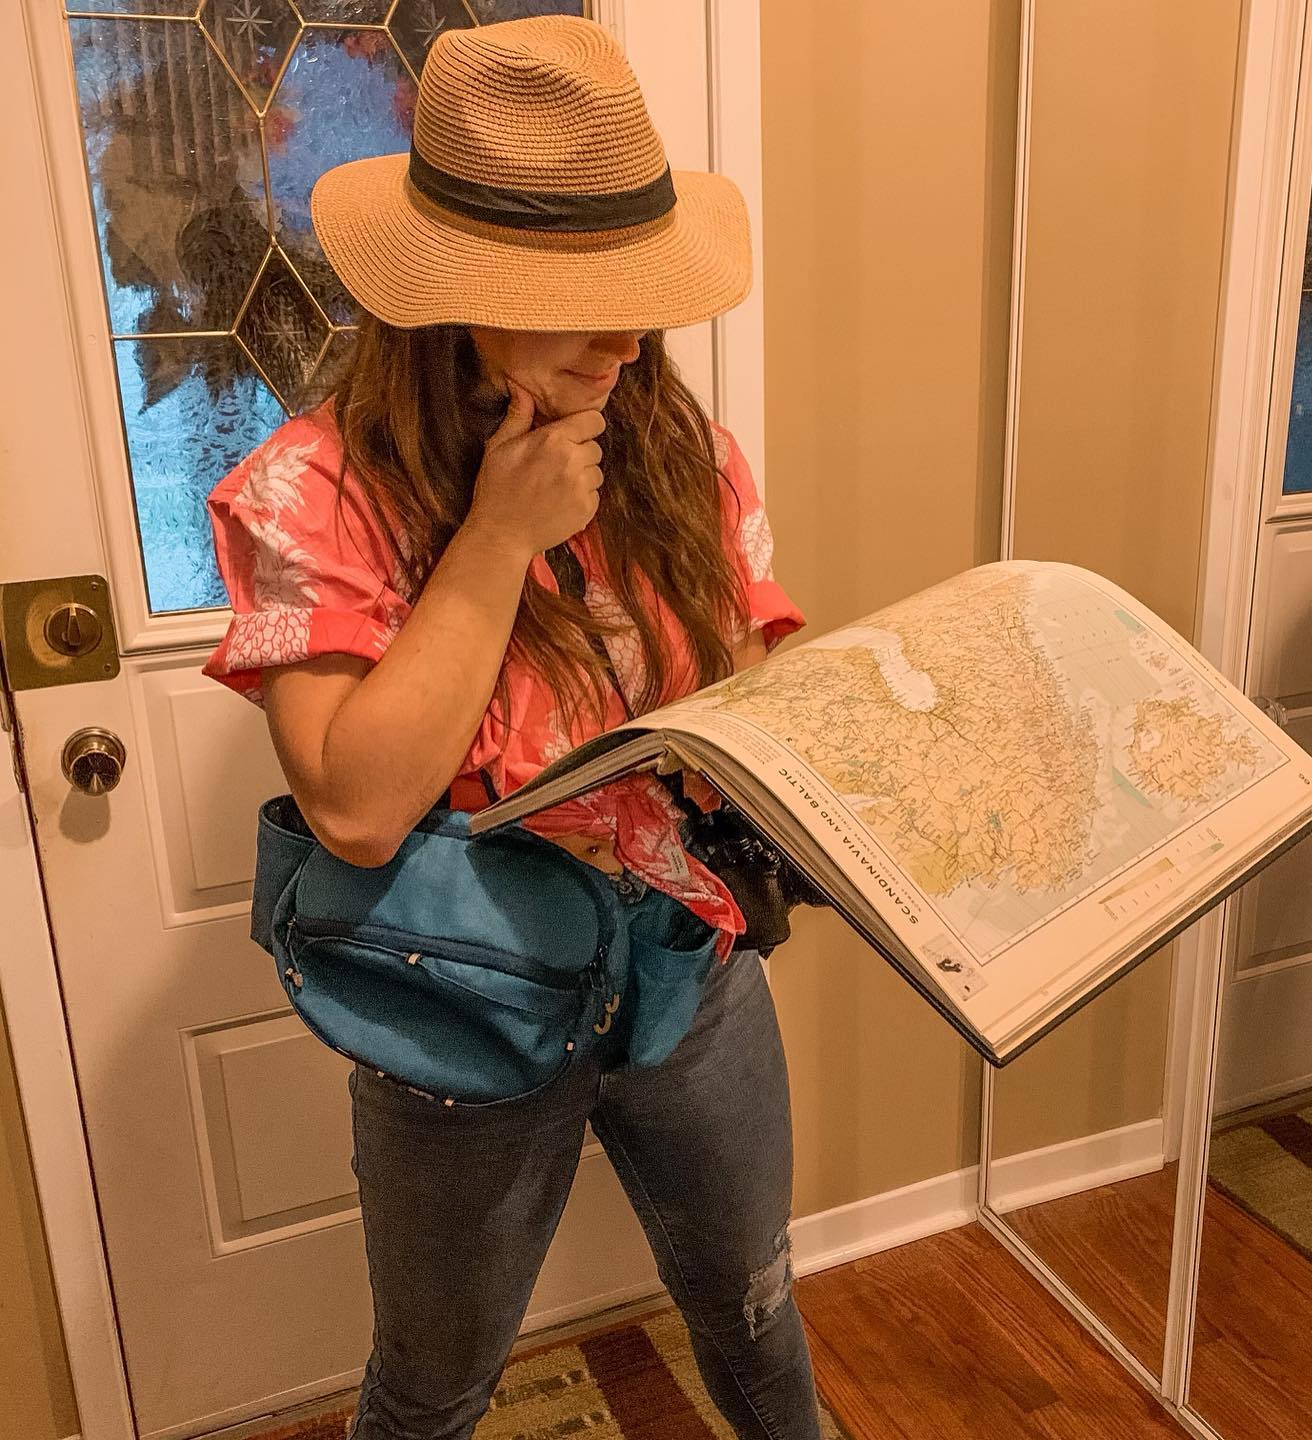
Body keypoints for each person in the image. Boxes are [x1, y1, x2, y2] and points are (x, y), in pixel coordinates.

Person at [201, 16, 825, 1440]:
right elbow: (358, 811)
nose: (626, 340)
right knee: (433, 1386)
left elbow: (745, 684)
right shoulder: (311, 494)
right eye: (575, 301)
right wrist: (495, 540)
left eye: (639, 297)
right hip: (463, 993)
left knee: (753, 1308)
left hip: (690, 969)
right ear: (452, 298)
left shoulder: (681, 451)